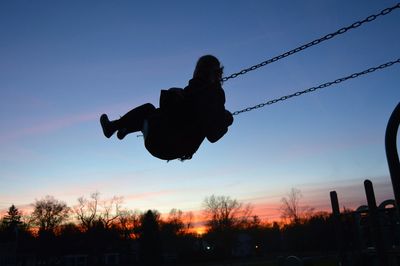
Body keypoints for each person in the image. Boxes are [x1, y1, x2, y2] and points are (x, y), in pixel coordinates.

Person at [100, 55, 234, 161]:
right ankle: (124, 128)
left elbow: (211, 132)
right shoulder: (207, 92)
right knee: (151, 113)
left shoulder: (203, 92)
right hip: (168, 144)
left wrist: (224, 119)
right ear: (218, 73)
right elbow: (212, 133)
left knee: (148, 110)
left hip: (163, 141)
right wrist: (226, 122)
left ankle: (119, 127)